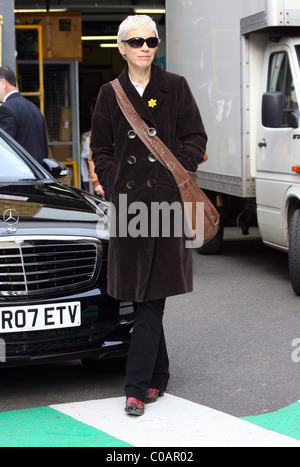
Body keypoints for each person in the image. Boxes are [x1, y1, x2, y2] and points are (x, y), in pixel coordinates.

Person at [91, 15, 207, 416]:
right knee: (141, 295)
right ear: (121, 47)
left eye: (151, 41)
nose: (145, 47)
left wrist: (179, 171)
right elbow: (101, 148)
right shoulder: (110, 94)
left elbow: (196, 136)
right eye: (136, 41)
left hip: (164, 204)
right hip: (128, 206)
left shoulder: (174, 87)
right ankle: (160, 375)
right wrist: (113, 178)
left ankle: (136, 386)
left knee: (151, 297)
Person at [0, 66, 48, 164]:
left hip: (19, 175)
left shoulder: (6, 109)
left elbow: (4, 149)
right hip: (39, 175)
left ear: (3, 83)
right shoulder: (34, 108)